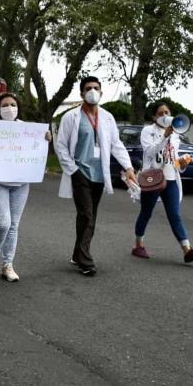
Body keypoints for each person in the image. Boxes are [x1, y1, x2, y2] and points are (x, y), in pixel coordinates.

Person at [55, 76, 136, 277]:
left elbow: (116, 144)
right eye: (88, 88)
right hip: (79, 171)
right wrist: (72, 169)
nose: (92, 91)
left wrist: (128, 167)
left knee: (89, 217)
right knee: (87, 214)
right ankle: (86, 260)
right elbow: (61, 145)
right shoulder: (71, 117)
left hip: (100, 174)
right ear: (82, 93)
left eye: (96, 88)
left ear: (101, 92)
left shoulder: (107, 117)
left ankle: (77, 254)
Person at [0, 93, 51, 283]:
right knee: (2, 223)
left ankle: (8, 265)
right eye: (5, 105)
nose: (9, 108)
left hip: (20, 184)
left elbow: (37, 156)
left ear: (18, 107)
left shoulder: (27, 129)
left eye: (13, 104)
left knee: (14, 225)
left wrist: (45, 141)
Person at [132, 101, 193, 263]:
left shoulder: (175, 134)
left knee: (175, 215)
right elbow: (150, 153)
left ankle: (187, 250)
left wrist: (182, 164)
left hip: (170, 179)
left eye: (167, 113)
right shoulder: (148, 131)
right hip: (152, 178)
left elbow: (172, 159)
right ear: (154, 116)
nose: (165, 116)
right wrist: (164, 136)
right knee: (146, 212)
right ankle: (138, 245)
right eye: (160, 113)